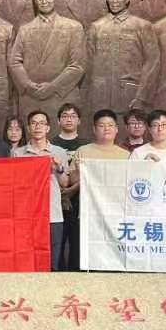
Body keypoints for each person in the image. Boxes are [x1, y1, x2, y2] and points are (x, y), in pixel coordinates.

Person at [68, 109, 130, 270]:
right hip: (88, 213)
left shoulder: (126, 155)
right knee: (85, 257)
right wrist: (81, 171)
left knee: (112, 258)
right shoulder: (83, 151)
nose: (106, 128)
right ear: (94, 129)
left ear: (117, 129)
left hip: (116, 214)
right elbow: (72, 180)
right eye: (101, 125)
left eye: (110, 125)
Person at [13, 110, 70, 271]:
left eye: (42, 123)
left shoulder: (59, 152)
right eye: (34, 123)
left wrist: (58, 168)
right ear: (29, 128)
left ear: (48, 128)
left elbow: (65, 184)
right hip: (26, 215)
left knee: (52, 262)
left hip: (53, 214)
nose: (38, 126)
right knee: (26, 261)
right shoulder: (18, 153)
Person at [52, 103, 89, 273]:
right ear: (58, 120)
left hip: (79, 202)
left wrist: (71, 191)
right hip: (55, 202)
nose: (69, 119)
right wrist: (62, 195)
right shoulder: (51, 144)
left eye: (73, 116)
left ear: (79, 120)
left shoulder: (86, 145)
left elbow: (90, 174)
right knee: (56, 246)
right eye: (65, 116)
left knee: (77, 245)